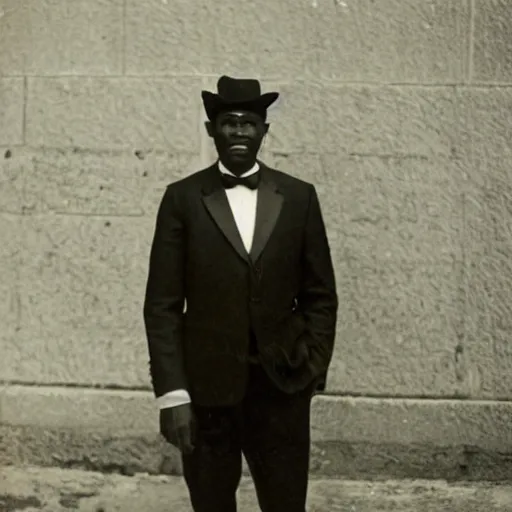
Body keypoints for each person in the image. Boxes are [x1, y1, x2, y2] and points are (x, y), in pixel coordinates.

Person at [143, 75, 338, 512]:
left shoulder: (299, 197)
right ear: (211, 129)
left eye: (248, 123)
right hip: (207, 393)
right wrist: (173, 395)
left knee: (286, 503)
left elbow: (320, 295)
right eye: (228, 123)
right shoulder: (182, 198)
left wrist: (311, 367)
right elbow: (162, 306)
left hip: (281, 389)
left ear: (264, 130)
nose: (238, 132)